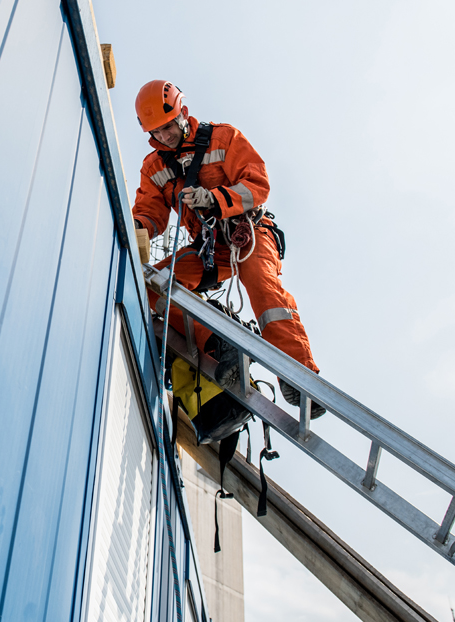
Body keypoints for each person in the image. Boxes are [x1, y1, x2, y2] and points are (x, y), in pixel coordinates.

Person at [132, 80, 325, 417]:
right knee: (151, 286)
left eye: (167, 127)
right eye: (156, 132)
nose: (164, 136)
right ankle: (218, 344)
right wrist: (137, 228)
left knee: (263, 290)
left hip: (247, 233)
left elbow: (257, 185)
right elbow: (150, 213)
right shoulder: (154, 169)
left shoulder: (223, 139)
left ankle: (299, 375)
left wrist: (215, 199)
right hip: (209, 249)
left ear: (183, 114)